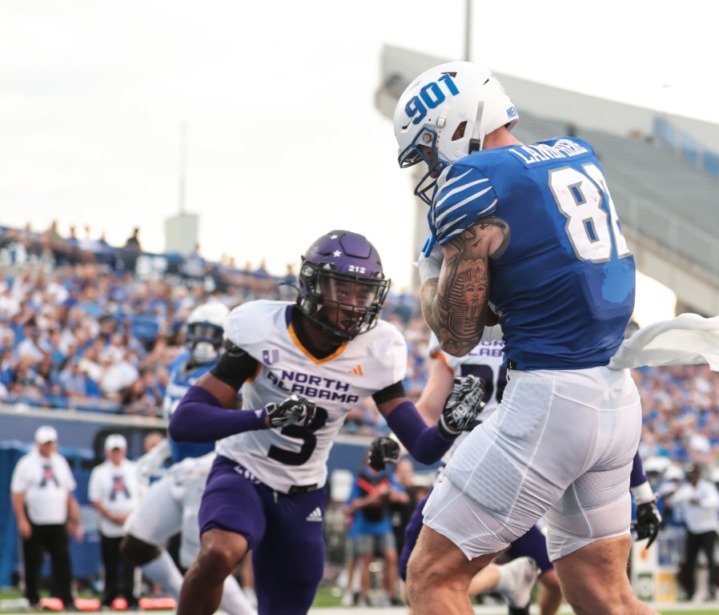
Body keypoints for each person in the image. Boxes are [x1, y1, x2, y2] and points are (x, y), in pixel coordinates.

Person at [394, 59, 659, 615]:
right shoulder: (575, 155)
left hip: (551, 400)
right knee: (603, 592)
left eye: (426, 149)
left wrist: (429, 277)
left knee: (432, 575)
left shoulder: (473, 182)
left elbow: (460, 334)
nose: (428, 167)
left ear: (454, 125)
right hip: (616, 398)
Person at [167, 230, 485, 615]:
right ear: (312, 286)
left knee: (289, 602)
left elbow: (421, 447)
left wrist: (448, 429)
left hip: (303, 492)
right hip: (242, 472)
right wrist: (261, 417)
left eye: (362, 293)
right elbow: (184, 421)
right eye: (343, 290)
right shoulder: (263, 329)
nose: (354, 304)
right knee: (221, 550)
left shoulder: (377, 349)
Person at [376, 333, 559, 613]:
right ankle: (507, 577)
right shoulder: (459, 327)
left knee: (561, 578)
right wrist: (396, 441)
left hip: (524, 471)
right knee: (415, 587)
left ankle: (511, 578)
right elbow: (428, 410)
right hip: (463, 468)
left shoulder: (542, 323)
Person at [120, 301, 255, 615]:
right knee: (136, 543)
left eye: (210, 334)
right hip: (180, 468)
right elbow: (181, 419)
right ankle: (184, 599)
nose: (202, 341)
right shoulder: (178, 362)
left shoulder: (230, 370)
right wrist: (162, 452)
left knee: (202, 561)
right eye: (197, 332)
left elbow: (240, 424)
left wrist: (211, 460)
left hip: (212, 470)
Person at [9, 425, 82, 610]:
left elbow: (68, 493)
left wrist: (74, 519)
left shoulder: (60, 462)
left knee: (62, 560)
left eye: (50, 443)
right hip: (35, 519)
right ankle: (32, 597)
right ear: (38, 443)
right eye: (45, 443)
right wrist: (22, 519)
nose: (48, 447)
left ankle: (66, 597)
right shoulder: (27, 463)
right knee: (33, 560)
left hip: (57, 520)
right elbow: (17, 493)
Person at [343, 460, 408, 606]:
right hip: (363, 526)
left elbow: (403, 497)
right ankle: (365, 596)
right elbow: (349, 505)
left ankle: (390, 595)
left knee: (391, 556)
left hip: (383, 525)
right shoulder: (360, 479)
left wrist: (392, 495)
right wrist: (371, 499)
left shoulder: (386, 478)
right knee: (366, 559)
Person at [88, 434, 140, 609]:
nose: (116, 454)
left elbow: (143, 495)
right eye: (113, 451)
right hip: (109, 526)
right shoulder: (100, 472)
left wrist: (129, 516)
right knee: (110, 564)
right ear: (107, 452)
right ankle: (109, 596)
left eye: (119, 451)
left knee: (130, 565)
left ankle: (131, 597)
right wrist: (111, 516)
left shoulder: (134, 469)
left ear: (124, 451)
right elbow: (95, 499)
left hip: (130, 525)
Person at [669, 464, 719, 601]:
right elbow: (673, 501)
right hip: (693, 528)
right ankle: (690, 591)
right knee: (690, 561)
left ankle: (713, 589)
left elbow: (716, 502)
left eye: (694, 474)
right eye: (690, 474)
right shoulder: (685, 489)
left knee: (711, 560)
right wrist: (674, 494)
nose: (692, 477)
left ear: (699, 475)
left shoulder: (707, 487)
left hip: (708, 528)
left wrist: (700, 502)